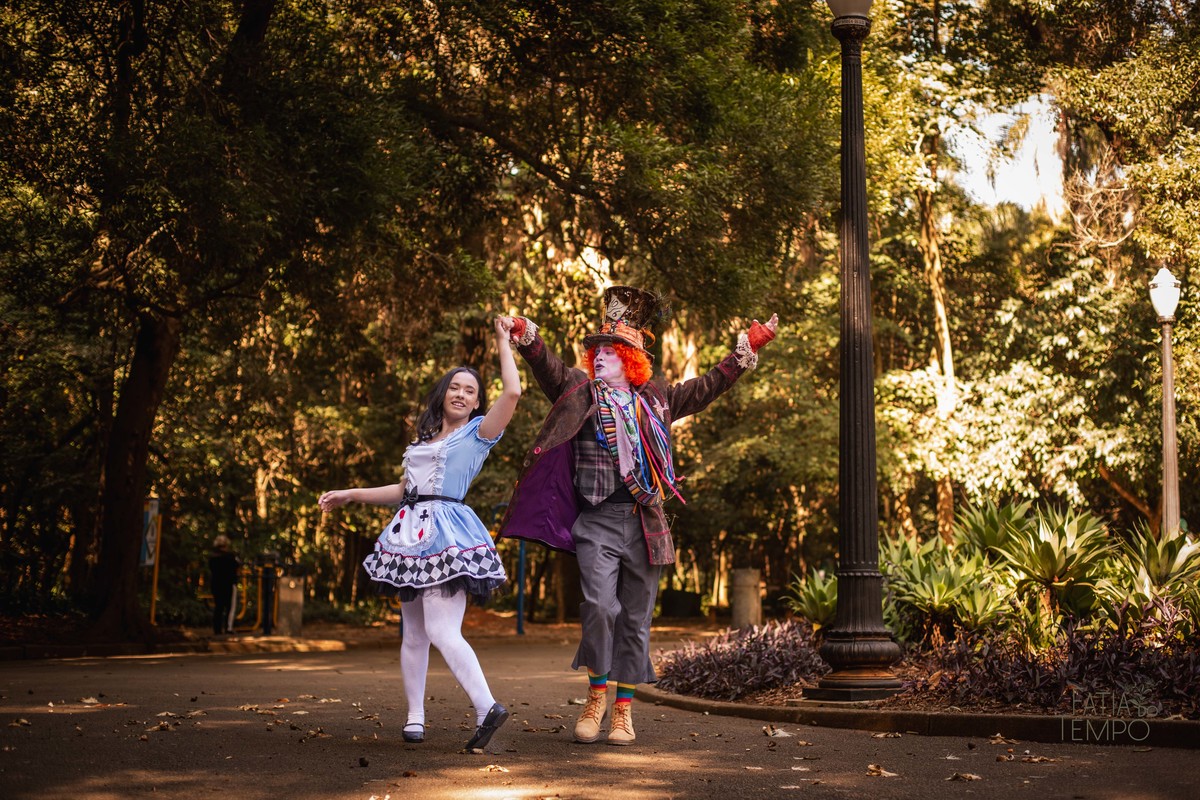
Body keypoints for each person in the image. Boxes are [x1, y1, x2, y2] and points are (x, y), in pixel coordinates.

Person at [498, 286, 777, 746]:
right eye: (598, 350)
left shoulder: (658, 399)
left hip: (646, 522)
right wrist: (525, 334)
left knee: (634, 617)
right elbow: (546, 366)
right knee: (599, 608)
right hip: (597, 522)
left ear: (632, 360)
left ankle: (623, 710)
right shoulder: (579, 392)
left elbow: (706, 387)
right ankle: (595, 697)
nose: (601, 355)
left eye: (612, 350)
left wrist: (746, 349)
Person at [319, 317, 521, 752]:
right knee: (412, 634)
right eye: (456, 387)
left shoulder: (479, 433)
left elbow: (513, 392)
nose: (462, 394)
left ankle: (487, 707)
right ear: (443, 392)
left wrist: (504, 341)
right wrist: (352, 493)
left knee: (442, 630)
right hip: (409, 533)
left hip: (447, 535)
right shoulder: (425, 437)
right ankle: (415, 718)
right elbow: (405, 490)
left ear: (476, 402)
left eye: (471, 390)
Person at [208, 535, 241, 636]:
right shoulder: (230, 557)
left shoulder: (213, 557)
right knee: (230, 607)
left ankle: (217, 629)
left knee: (218, 607)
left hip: (216, 585)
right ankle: (228, 627)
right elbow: (237, 566)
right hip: (229, 584)